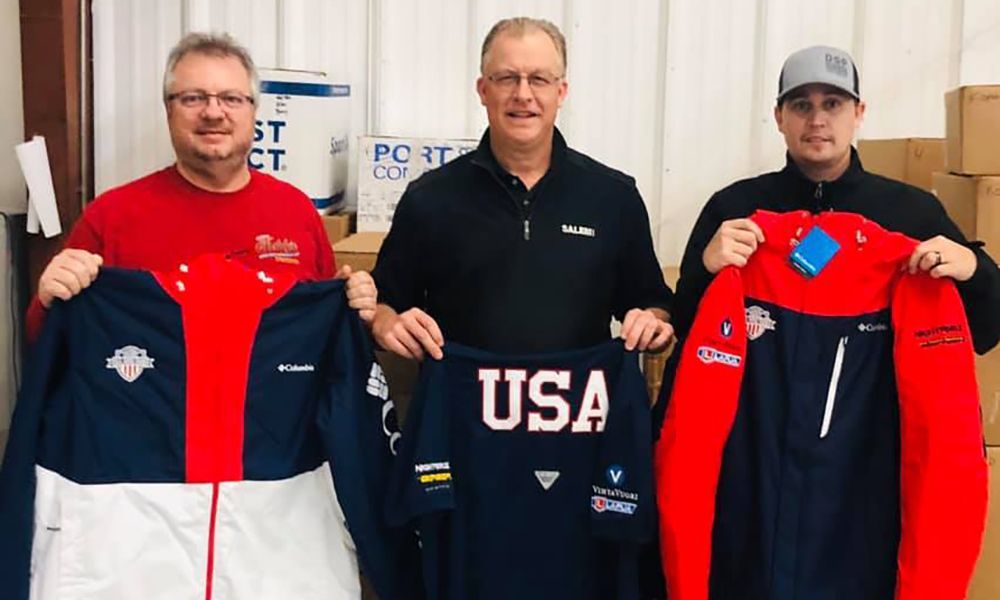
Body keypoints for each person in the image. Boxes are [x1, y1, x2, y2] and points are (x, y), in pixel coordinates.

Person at [27, 32, 377, 340]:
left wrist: (353, 306)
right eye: (193, 98)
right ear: (169, 110)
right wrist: (48, 300)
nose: (213, 112)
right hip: (152, 398)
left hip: (272, 397)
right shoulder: (112, 216)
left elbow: (323, 338)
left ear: (253, 112)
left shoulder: (296, 211)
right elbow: (44, 341)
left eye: (231, 98)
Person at [371, 17, 673, 359]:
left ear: (561, 92)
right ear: (483, 90)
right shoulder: (429, 199)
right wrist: (384, 323)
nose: (523, 94)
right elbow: (385, 303)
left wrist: (653, 324)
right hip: (461, 393)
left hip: (581, 393)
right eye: (507, 78)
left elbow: (654, 304)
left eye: (539, 79)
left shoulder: (614, 198)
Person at [670, 45, 1000, 353]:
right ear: (779, 117)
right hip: (760, 396)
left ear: (858, 113)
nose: (817, 120)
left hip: (873, 397)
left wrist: (974, 270)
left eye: (832, 104)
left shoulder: (911, 212)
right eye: (802, 105)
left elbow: (985, 333)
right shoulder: (734, 209)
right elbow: (684, 328)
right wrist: (706, 270)